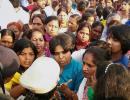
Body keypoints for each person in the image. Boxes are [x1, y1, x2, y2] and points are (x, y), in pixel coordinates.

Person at [49, 34, 83, 99]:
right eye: (56, 53)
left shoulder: (79, 69)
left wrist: (68, 92)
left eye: (64, 52)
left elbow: (79, 95)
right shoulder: (50, 65)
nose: (61, 57)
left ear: (71, 50)